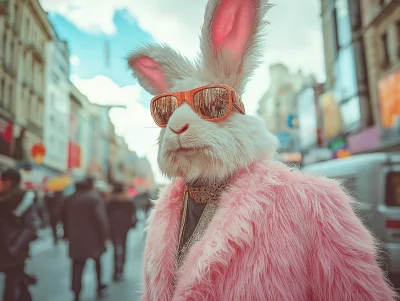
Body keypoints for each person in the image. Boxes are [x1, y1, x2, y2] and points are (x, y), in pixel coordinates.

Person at [126, 0, 398, 299]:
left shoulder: (313, 204)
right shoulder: (165, 211)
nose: (177, 124)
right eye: (167, 110)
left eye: (212, 104)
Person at [61, 177, 109, 301]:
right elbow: (100, 220)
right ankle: (99, 286)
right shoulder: (94, 198)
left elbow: (63, 219)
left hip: (75, 238)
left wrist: (66, 235)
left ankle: (76, 292)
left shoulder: (69, 198)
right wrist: (105, 237)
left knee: (77, 266)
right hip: (94, 239)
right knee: (97, 263)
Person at [0, 168, 37, 301]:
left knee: (11, 286)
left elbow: (30, 228)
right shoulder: (3, 199)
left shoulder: (24, 200)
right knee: (17, 282)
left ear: (8, 182)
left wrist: (15, 247)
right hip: (7, 249)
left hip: (13, 250)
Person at [106, 183, 137, 281]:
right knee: (123, 246)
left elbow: (106, 214)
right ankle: (121, 269)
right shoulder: (128, 200)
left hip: (113, 226)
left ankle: (116, 270)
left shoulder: (110, 201)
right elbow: (133, 213)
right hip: (124, 226)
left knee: (115, 247)